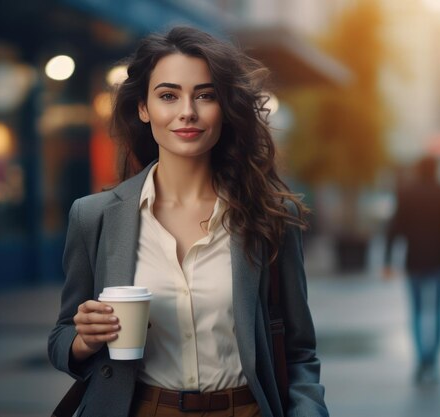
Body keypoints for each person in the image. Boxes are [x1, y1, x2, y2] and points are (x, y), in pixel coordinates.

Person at [48, 26, 328, 417]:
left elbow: (299, 349)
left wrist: (309, 411)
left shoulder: (270, 217)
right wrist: (84, 340)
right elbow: (61, 338)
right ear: (144, 109)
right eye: (168, 95)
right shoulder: (93, 216)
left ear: (224, 108)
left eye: (205, 95)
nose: (187, 112)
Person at [383, 156, 440, 384]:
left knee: (417, 311)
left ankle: (422, 359)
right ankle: (433, 359)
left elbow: (394, 227)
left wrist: (387, 261)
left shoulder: (406, 194)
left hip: (415, 261)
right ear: (436, 170)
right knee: (438, 311)